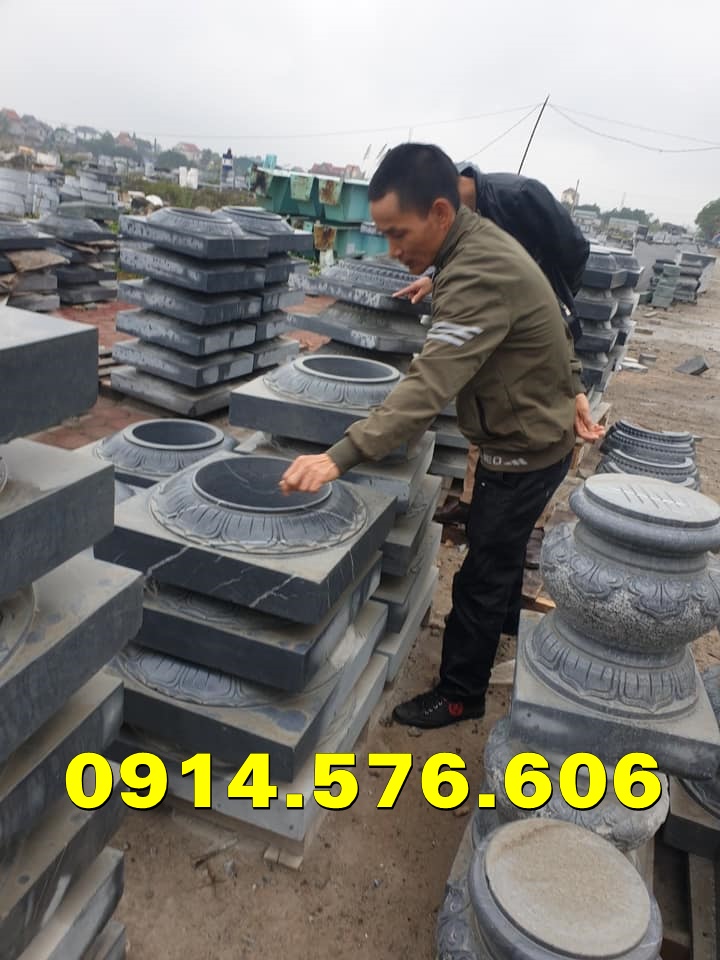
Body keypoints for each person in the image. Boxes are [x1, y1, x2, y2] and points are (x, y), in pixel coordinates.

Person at [280, 142, 602, 729]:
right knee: (500, 552)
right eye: (384, 235)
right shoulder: (475, 246)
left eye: (398, 233)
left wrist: (339, 457)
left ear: (440, 213)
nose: (392, 249)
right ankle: (507, 625)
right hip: (536, 430)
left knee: (481, 571)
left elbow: (426, 388)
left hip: (523, 449)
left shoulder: (477, 272)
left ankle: (460, 693)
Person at [397, 163, 595, 527]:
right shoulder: (465, 216)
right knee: (487, 404)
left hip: (534, 328)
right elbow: (466, 257)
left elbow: (575, 249)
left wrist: (551, 299)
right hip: (499, 319)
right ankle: (473, 503)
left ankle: (520, 522)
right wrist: (434, 280)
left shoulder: (521, 197)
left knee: (524, 420)